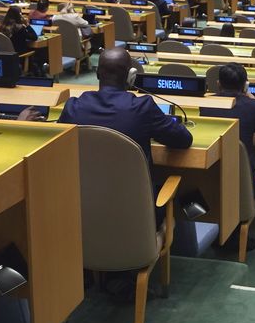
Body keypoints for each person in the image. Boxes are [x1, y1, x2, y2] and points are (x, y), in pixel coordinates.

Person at [45, 49, 192, 221]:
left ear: (98, 74)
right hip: (135, 214)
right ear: (131, 76)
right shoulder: (143, 107)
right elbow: (184, 140)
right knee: (182, 194)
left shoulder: (73, 106)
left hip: (83, 209)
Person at [201, 63, 255, 195]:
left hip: (210, 172)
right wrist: (252, 97)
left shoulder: (205, 104)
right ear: (245, 85)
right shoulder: (253, 105)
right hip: (245, 178)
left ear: (218, 83)